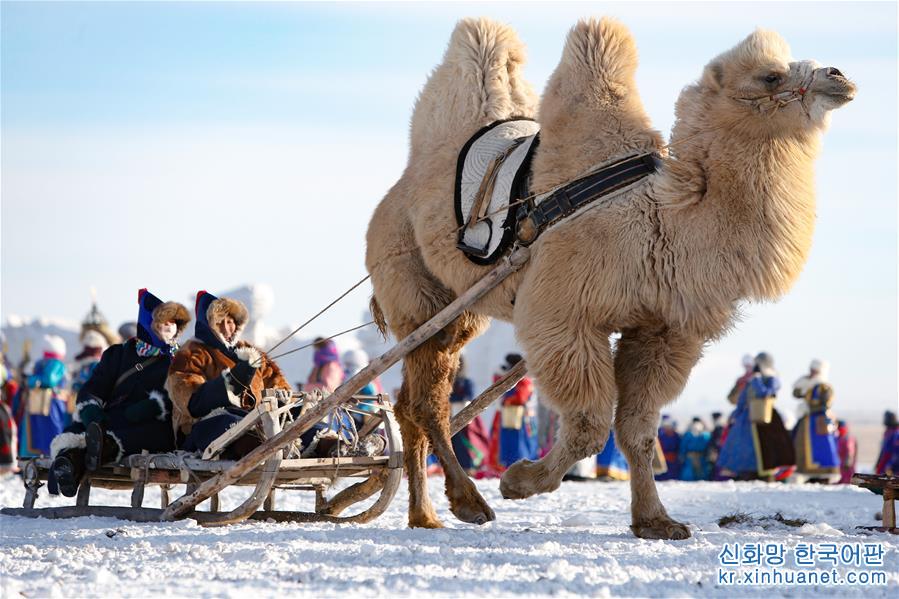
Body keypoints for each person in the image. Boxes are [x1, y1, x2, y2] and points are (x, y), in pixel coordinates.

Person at [47, 289, 191, 497]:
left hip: (154, 423)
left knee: (143, 435)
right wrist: (91, 409)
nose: (169, 326)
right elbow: (94, 387)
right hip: (110, 418)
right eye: (163, 321)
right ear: (147, 323)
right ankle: (67, 466)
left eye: (173, 322)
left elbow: (186, 395)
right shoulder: (119, 354)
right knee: (77, 431)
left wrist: (157, 406)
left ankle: (97, 451)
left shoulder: (180, 359)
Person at [167, 291, 292, 458]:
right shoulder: (190, 354)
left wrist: (281, 394)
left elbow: (275, 382)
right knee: (234, 426)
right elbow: (193, 403)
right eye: (219, 323)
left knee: (299, 425)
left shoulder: (249, 352)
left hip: (253, 420)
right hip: (204, 428)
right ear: (208, 324)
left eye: (231, 321)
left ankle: (329, 446)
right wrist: (233, 381)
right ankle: (268, 447)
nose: (227, 328)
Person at [716, 352, 796, 481]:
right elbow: (743, 399)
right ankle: (746, 472)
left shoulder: (772, 379)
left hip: (765, 417)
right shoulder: (751, 380)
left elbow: (766, 393)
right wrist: (736, 415)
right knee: (744, 446)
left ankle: (764, 473)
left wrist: (757, 380)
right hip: (746, 419)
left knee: (765, 449)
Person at [12, 335, 70, 458]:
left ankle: (45, 457)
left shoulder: (53, 364)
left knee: (47, 432)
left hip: (48, 405)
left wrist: (31, 380)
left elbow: (49, 380)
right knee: (43, 432)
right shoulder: (49, 363)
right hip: (44, 405)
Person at [486, 354, 538, 472]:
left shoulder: (525, 380)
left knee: (520, 444)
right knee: (508, 443)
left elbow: (520, 397)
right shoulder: (511, 379)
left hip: (521, 418)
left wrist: (506, 400)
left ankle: (520, 466)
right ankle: (507, 466)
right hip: (510, 416)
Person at [791, 359, 840, 482]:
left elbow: (826, 403)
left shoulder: (824, 387)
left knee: (822, 447)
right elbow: (796, 393)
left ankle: (824, 473)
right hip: (807, 420)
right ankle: (807, 472)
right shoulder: (808, 384)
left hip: (819, 421)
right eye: (811, 369)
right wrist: (804, 383)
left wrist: (813, 403)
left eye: (815, 370)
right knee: (801, 444)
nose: (812, 372)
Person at [448, 356, 489, 474]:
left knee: (468, 441)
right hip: (450, 416)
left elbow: (468, 396)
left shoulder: (466, 382)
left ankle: (469, 466)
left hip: (465, 417)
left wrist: (455, 400)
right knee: (454, 442)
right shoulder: (448, 382)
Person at [655, 415, 681, 480]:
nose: (667, 426)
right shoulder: (659, 434)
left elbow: (679, 448)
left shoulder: (676, 436)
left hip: (673, 462)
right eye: (665, 423)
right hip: (662, 460)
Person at [875, 411, 899, 476]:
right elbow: (883, 451)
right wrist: (877, 463)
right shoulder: (888, 432)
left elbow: (896, 452)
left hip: (892, 465)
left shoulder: (896, 433)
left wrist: (890, 465)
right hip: (885, 462)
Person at [835, 420, 857, 484]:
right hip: (842, 461)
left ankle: (848, 480)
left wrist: (848, 460)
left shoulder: (848, 438)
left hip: (847, 461)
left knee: (848, 472)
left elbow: (850, 451)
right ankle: (844, 479)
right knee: (843, 470)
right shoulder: (840, 438)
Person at [707, 411, 726, 480]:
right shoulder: (717, 428)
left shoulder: (720, 428)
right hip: (716, 451)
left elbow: (718, 441)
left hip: (719, 452)